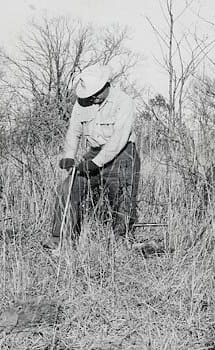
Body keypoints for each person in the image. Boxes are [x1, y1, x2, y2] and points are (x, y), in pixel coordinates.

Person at [47, 64, 142, 249]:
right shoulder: (81, 104)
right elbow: (74, 131)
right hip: (94, 152)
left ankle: (120, 243)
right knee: (66, 189)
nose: (93, 98)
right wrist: (69, 155)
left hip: (122, 154)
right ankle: (60, 239)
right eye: (90, 94)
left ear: (106, 84)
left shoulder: (124, 101)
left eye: (96, 92)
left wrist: (95, 163)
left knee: (122, 198)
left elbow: (119, 138)